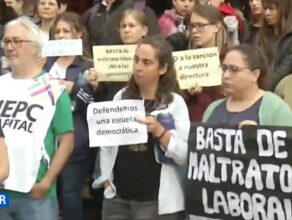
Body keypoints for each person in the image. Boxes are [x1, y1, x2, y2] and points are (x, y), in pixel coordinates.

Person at [92, 35, 190, 220]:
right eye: (136, 60)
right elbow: (107, 143)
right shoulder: (121, 96)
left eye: (146, 62)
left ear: (162, 68)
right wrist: (106, 180)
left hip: (155, 202)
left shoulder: (175, 103)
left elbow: (185, 155)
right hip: (118, 198)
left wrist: (161, 133)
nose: (138, 67)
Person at [0, 16, 74, 220]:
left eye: (17, 41)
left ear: (35, 47)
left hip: (35, 193)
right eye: (6, 41)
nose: (10, 47)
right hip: (2, 194)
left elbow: (66, 141)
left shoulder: (53, 88)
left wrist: (47, 182)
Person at [44, 11, 94, 220]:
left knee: (70, 193)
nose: (61, 35)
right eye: (57, 31)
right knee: (48, 193)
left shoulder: (87, 66)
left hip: (75, 138)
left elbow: (93, 105)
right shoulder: (45, 64)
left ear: (78, 34)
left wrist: (73, 87)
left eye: (66, 31)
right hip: (45, 140)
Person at [203, 44, 292, 126]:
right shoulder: (213, 109)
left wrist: (259, 137)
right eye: (224, 68)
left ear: (255, 75)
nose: (226, 75)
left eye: (234, 69)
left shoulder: (275, 108)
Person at [186, 4, 227, 122]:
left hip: (220, 124)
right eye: (192, 26)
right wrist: (188, 92)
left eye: (200, 25)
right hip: (192, 125)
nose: (194, 31)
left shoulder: (229, 58)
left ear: (217, 27)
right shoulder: (186, 58)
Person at [259, 0, 292, 89]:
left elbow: (284, 70)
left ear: (283, 10)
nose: (267, 13)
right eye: (265, 9)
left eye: (272, 9)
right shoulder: (263, 35)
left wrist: (261, 86)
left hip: (281, 90)